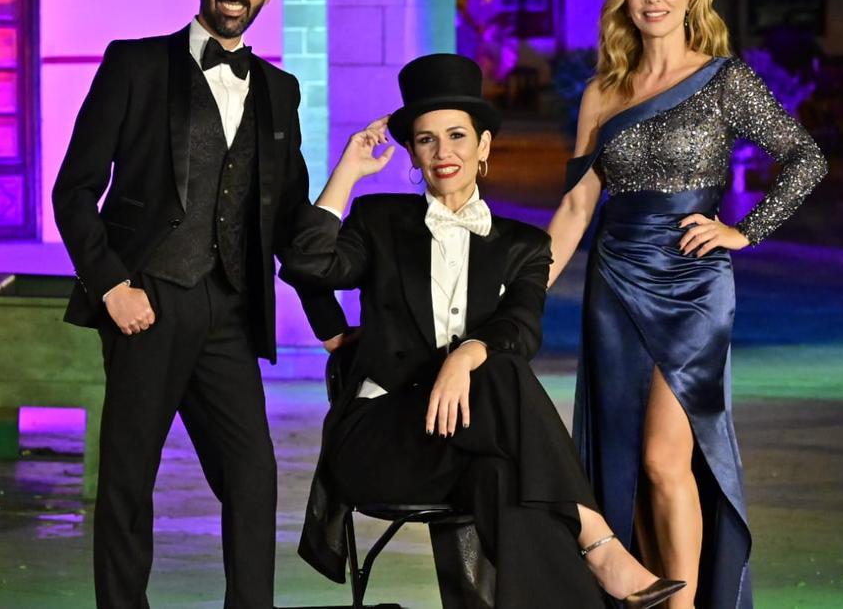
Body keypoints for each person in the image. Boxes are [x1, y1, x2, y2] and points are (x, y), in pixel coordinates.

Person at [282, 53, 685, 609]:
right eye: (426, 140)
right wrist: (347, 171)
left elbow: (522, 327)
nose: (443, 152)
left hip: (468, 438)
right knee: (501, 375)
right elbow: (306, 264)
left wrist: (464, 354)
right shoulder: (378, 220)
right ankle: (596, 537)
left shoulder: (523, 246)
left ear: (484, 145)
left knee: (505, 473)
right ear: (413, 153)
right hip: (383, 440)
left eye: (456, 136)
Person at [51, 0, 347, 606]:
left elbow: (287, 219)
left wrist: (330, 324)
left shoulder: (280, 90)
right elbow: (74, 191)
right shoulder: (134, 65)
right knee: (129, 481)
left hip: (229, 313)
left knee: (253, 477)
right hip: (146, 301)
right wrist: (112, 284)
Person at [545, 0, 827, 608]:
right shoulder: (602, 93)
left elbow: (805, 157)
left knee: (664, 458)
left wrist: (743, 229)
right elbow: (578, 204)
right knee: (623, 458)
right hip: (615, 283)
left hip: (696, 283)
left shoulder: (725, 79)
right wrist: (523, 289)